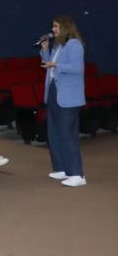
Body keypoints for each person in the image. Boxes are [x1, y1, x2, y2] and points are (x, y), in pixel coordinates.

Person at [40, 15, 87, 187]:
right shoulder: (58, 45)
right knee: (54, 133)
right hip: (54, 92)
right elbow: (48, 64)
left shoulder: (74, 44)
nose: (53, 29)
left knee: (68, 135)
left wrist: (56, 65)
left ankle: (77, 174)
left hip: (68, 96)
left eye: (56, 26)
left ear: (65, 27)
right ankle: (61, 168)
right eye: (53, 26)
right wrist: (45, 50)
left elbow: (77, 68)